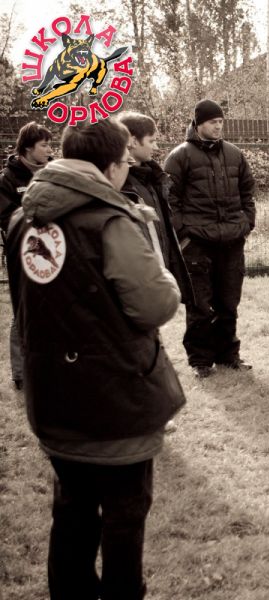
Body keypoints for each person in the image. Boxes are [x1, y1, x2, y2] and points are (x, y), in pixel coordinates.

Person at [4, 118, 185, 599]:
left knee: (71, 511)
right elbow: (156, 305)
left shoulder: (23, 219)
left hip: (53, 396)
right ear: (109, 167)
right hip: (115, 398)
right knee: (124, 515)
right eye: (126, 162)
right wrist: (153, 255)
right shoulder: (110, 221)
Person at [163, 99, 256, 378]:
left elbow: (248, 192)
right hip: (197, 244)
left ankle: (229, 355)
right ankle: (200, 360)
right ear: (199, 124)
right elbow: (169, 200)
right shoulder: (179, 157)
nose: (218, 126)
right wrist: (184, 235)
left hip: (232, 241)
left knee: (228, 302)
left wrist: (246, 224)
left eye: (220, 122)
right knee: (200, 305)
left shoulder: (235, 154)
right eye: (213, 122)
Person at [119, 111, 193, 304]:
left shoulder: (153, 180)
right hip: (136, 281)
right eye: (151, 141)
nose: (156, 147)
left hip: (156, 277)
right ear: (133, 141)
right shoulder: (120, 184)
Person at [0, 121, 53, 390]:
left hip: (54, 250)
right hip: (23, 252)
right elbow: (6, 218)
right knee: (23, 309)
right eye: (44, 145)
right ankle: (21, 374)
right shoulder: (8, 179)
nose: (50, 150)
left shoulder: (53, 172)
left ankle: (50, 367)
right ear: (28, 148)